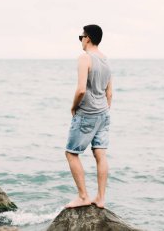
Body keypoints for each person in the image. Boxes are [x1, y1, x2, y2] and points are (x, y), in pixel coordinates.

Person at [64, 24, 112, 209]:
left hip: (87, 114)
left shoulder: (85, 58)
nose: (80, 41)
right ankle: (100, 198)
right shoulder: (106, 60)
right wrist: (103, 112)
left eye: (81, 37)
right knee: (100, 153)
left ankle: (83, 196)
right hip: (103, 115)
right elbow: (110, 94)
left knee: (71, 153)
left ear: (88, 38)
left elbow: (81, 89)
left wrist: (73, 107)